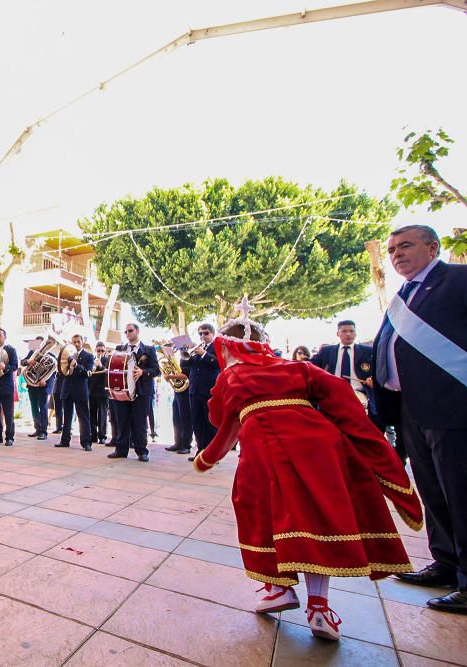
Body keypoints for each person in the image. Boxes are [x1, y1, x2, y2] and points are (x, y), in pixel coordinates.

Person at [194, 298, 423, 641]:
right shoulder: (296, 368)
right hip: (319, 445)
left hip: (265, 448)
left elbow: (225, 426)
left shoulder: (234, 376)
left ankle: (279, 590)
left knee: (260, 510)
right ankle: (319, 608)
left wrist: (206, 459)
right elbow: (341, 396)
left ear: (227, 348)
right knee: (315, 517)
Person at [371, 224, 467, 614]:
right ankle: (446, 564)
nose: (396, 254)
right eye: (392, 249)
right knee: (433, 490)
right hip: (411, 408)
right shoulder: (403, 296)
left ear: (433, 247)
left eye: (405, 246)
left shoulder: (458, 281)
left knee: (461, 494)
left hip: (453, 405)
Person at [108, 323, 159, 461]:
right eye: (126, 331)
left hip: (141, 392)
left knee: (140, 422)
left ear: (137, 331)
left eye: (130, 331)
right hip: (123, 390)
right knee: (121, 421)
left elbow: (156, 370)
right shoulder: (120, 349)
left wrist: (143, 372)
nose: (128, 333)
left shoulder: (148, 349)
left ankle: (142, 451)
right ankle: (121, 450)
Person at [311, 320, 374, 410]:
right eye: (344, 331)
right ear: (337, 333)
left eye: (351, 331)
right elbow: (310, 365)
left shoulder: (367, 351)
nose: (348, 334)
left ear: (355, 333)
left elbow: (378, 370)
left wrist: (373, 379)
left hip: (359, 394)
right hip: (332, 394)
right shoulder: (326, 351)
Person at [181, 323, 220, 461]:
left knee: (210, 423)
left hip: (209, 390)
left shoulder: (217, 347)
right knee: (197, 422)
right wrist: (184, 354)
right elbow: (185, 366)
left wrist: (204, 354)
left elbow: (219, 364)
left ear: (212, 334)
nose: (203, 336)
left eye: (206, 333)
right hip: (194, 390)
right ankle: (201, 451)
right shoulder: (197, 348)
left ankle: (212, 454)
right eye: (200, 334)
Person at [55, 333, 95, 451]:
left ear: (82, 342)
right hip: (67, 389)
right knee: (66, 416)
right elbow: (62, 371)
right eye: (74, 342)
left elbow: (87, 373)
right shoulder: (66, 354)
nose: (76, 344)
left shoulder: (88, 356)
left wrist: (76, 365)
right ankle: (65, 440)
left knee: (83, 417)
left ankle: (86, 442)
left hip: (80, 390)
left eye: (78, 341)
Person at [21, 336, 56, 441]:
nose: (40, 347)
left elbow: (53, 371)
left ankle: (43, 431)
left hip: (43, 385)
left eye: (42, 343)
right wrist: (28, 361)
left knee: (43, 407)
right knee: (34, 407)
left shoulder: (51, 355)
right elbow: (22, 362)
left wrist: (45, 379)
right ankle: (37, 428)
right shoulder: (32, 353)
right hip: (32, 384)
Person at [89, 342, 109, 445]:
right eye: (98, 350)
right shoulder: (91, 360)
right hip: (91, 391)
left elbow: (108, 373)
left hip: (103, 392)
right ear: (95, 351)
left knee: (102, 416)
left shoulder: (107, 360)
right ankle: (93, 436)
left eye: (102, 350)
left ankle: (102, 436)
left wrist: (101, 366)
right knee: (92, 415)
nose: (100, 352)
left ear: (105, 351)